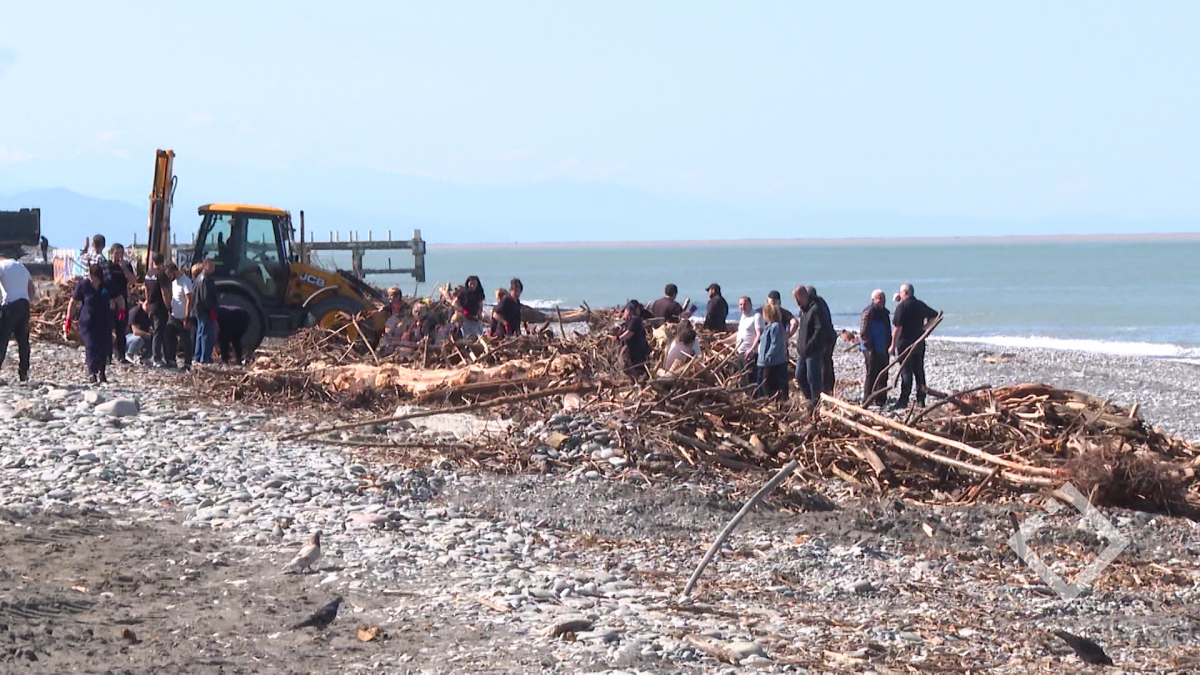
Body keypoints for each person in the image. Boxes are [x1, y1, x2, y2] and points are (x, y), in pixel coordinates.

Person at [891, 283, 939, 410]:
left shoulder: (902, 307)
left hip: (904, 344)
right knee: (919, 372)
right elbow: (935, 315)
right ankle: (920, 400)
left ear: (905, 293)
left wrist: (892, 345)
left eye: (900, 292)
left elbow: (898, 328)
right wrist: (924, 328)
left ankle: (903, 400)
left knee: (906, 372)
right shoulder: (919, 305)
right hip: (918, 342)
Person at [65, 264, 116, 383]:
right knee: (91, 345)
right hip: (87, 321)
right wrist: (68, 319)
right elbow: (73, 302)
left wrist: (121, 313)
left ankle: (102, 372)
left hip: (104, 320)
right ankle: (92, 372)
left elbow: (118, 299)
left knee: (103, 346)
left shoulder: (106, 285)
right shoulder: (83, 285)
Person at [792, 285, 832, 411]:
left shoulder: (816, 308)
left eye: (797, 299)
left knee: (813, 377)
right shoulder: (803, 310)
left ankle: (816, 402)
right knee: (799, 375)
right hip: (803, 350)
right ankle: (810, 398)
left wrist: (810, 345)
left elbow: (819, 330)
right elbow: (802, 329)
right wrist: (799, 345)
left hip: (814, 350)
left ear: (803, 296)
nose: (797, 303)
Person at [0, 253, 35, 382]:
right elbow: (32, 289)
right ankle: (23, 373)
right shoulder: (22, 267)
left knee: (2, 339)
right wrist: (27, 303)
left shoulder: (2, 266)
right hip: (24, 305)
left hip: (10, 305)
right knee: (23, 342)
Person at [860, 289, 892, 408]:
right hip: (870, 348)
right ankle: (867, 398)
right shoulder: (868, 312)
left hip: (882, 347)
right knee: (872, 373)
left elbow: (888, 331)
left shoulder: (885, 313)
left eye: (883, 298)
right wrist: (870, 348)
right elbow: (863, 333)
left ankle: (880, 399)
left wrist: (889, 345)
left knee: (883, 373)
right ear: (873, 300)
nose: (882, 301)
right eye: (880, 298)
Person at [106, 244, 136, 365]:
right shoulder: (107, 266)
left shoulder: (126, 265)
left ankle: (121, 355)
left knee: (121, 328)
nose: (119, 256)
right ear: (111, 253)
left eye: (121, 253)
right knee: (108, 329)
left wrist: (124, 269)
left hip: (122, 302)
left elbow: (133, 280)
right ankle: (108, 356)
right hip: (110, 301)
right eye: (117, 253)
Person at [164, 262, 194, 370]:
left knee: (185, 340)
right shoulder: (174, 282)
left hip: (183, 316)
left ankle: (187, 363)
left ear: (174, 271)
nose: (168, 276)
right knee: (169, 337)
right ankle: (171, 360)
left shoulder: (185, 281)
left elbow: (189, 299)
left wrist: (187, 316)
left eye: (169, 273)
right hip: (173, 315)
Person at [144, 252, 171, 366]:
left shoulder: (148, 274)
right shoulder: (161, 274)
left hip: (151, 306)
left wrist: (147, 302)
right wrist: (168, 306)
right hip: (160, 307)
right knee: (159, 333)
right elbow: (164, 292)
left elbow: (146, 290)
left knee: (155, 331)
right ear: (162, 262)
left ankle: (154, 355)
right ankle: (157, 358)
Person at [756, 302, 788, 399]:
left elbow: (775, 344)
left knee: (768, 385)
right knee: (762, 385)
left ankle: (775, 402)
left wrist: (767, 356)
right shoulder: (768, 326)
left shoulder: (775, 326)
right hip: (764, 361)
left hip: (771, 362)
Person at [808, 285, 836, 395]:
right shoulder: (820, 302)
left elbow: (821, 326)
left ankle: (826, 389)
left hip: (826, 337)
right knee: (826, 362)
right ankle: (827, 388)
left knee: (825, 362)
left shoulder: (817, 306)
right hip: (828, 336)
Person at [192, 257, 219, 364]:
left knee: (200, 333)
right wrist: (213, 311)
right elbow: (207, 298)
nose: (213, 268)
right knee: (207, 335)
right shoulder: (206, 280)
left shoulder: (198, 278)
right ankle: (205, 358)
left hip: (198, 310)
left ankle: (198, 357)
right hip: (206, 311)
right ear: (204, 266)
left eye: (214, 266)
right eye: (211, 266)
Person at [734, 296, 764, 387]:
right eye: (740, 304)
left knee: (750, 379)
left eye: (744, 304)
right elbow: (739, 333)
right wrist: (723, 341)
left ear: (750, 305)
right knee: (743, 379)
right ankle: (746, 397)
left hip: (750, 353)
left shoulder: (756, 316)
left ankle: (754, 398)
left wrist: (752, 349)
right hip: (741, 352)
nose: (742, 306)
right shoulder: (743, 317)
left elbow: (759, 334)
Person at [616, 300, 650, 374]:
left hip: (637, 352)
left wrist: (618, 338)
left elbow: (630, 332)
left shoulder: (635, 319)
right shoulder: (631, 320)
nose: (624, 313)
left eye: (625, 310)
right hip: (634, 352)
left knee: (637, 371)